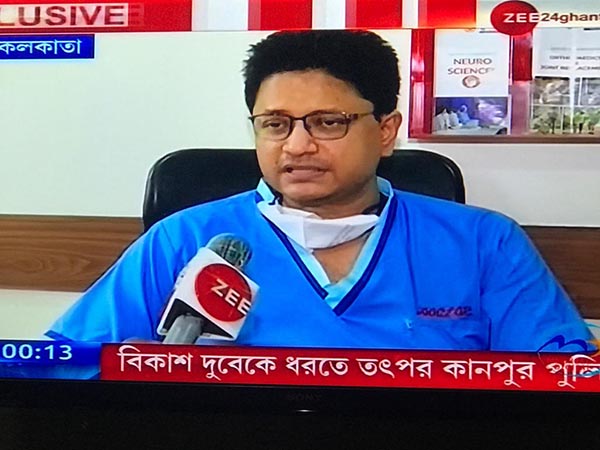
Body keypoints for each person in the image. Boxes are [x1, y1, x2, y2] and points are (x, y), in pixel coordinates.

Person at [47, 30, 592, 352]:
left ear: (385, 131)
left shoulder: (483, 243)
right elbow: (65, 362)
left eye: (328, 122)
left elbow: (563, 378)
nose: (297, 145)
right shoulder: (185, 239)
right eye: (275, 124)